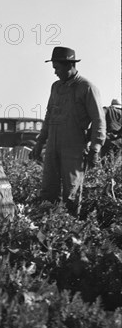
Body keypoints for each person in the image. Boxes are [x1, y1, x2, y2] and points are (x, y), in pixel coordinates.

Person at [31, 46, 105, 212]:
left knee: (71, 193)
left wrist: (95, 148)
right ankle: (50, 229)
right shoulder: (56, 87)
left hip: (74, 148)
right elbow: (49, 117)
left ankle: (72, 229)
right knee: (48, 191)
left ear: (69, 65)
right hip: (53, 147)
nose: (55, 72)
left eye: (57, 68)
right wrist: (40, 143)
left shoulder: (87, 88)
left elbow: (98, 120)